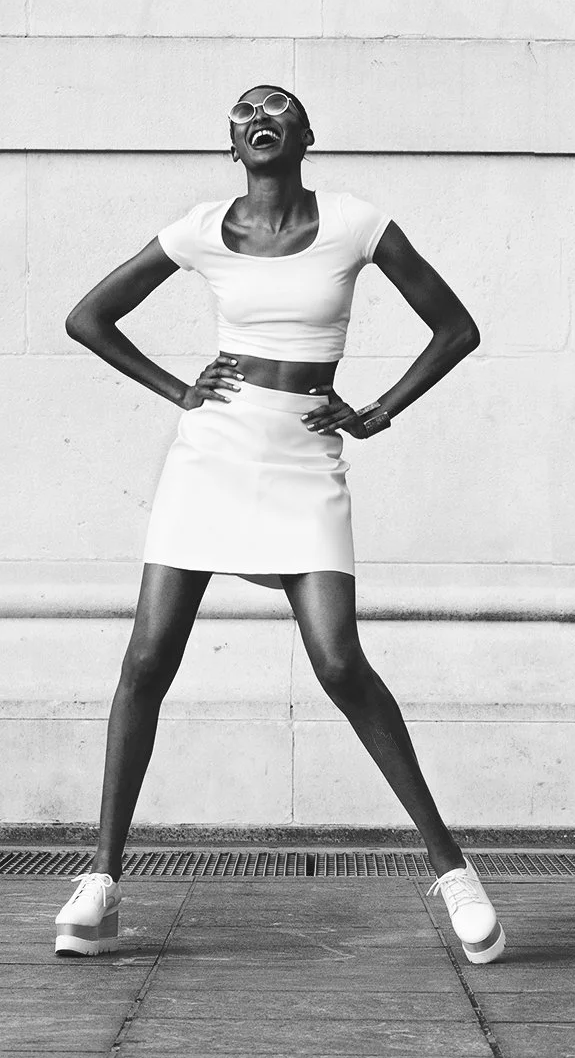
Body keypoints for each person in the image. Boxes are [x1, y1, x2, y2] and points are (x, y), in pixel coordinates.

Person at [55, 85, 505, 965]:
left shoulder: (356, 224)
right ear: (232, 144)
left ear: (306, 135)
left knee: (338, 661)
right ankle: (102, 883)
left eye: (279, 109)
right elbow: (88, 318)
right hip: (211, 453)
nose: (260, 118)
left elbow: (457, 329)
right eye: (243, 112)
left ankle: (452, 868)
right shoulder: (196, 229)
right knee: (147, 657)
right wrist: (178, 390)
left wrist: (378, 412)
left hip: (304, 460)